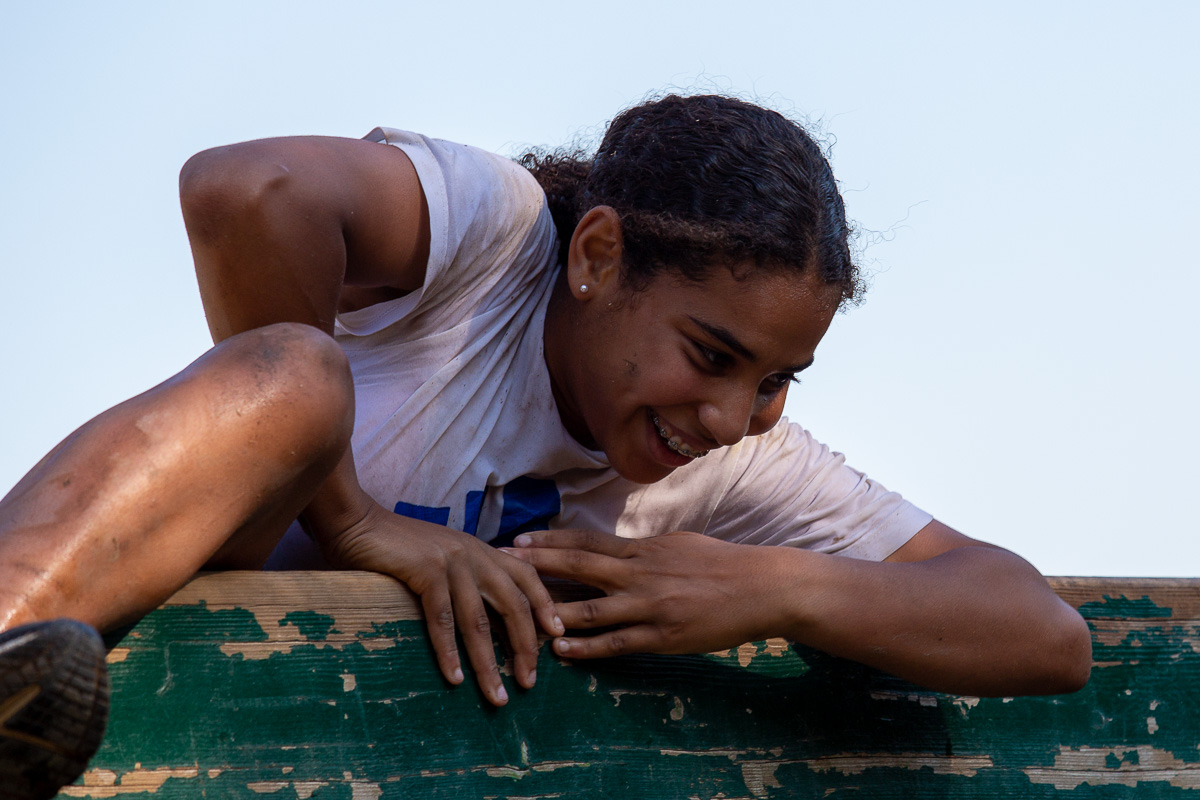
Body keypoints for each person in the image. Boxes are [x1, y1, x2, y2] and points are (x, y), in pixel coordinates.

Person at [0, 94, 1092, 800]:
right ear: (598, 256)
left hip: (323, 754)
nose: (730, 415)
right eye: (710, 354)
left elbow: (1043, 632)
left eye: (774, 381)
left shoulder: (737, 466)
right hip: (198, 571)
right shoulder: (499, 245)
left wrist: (778, 588)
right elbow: (247, 188)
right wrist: (356, 523)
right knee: (296, 375)